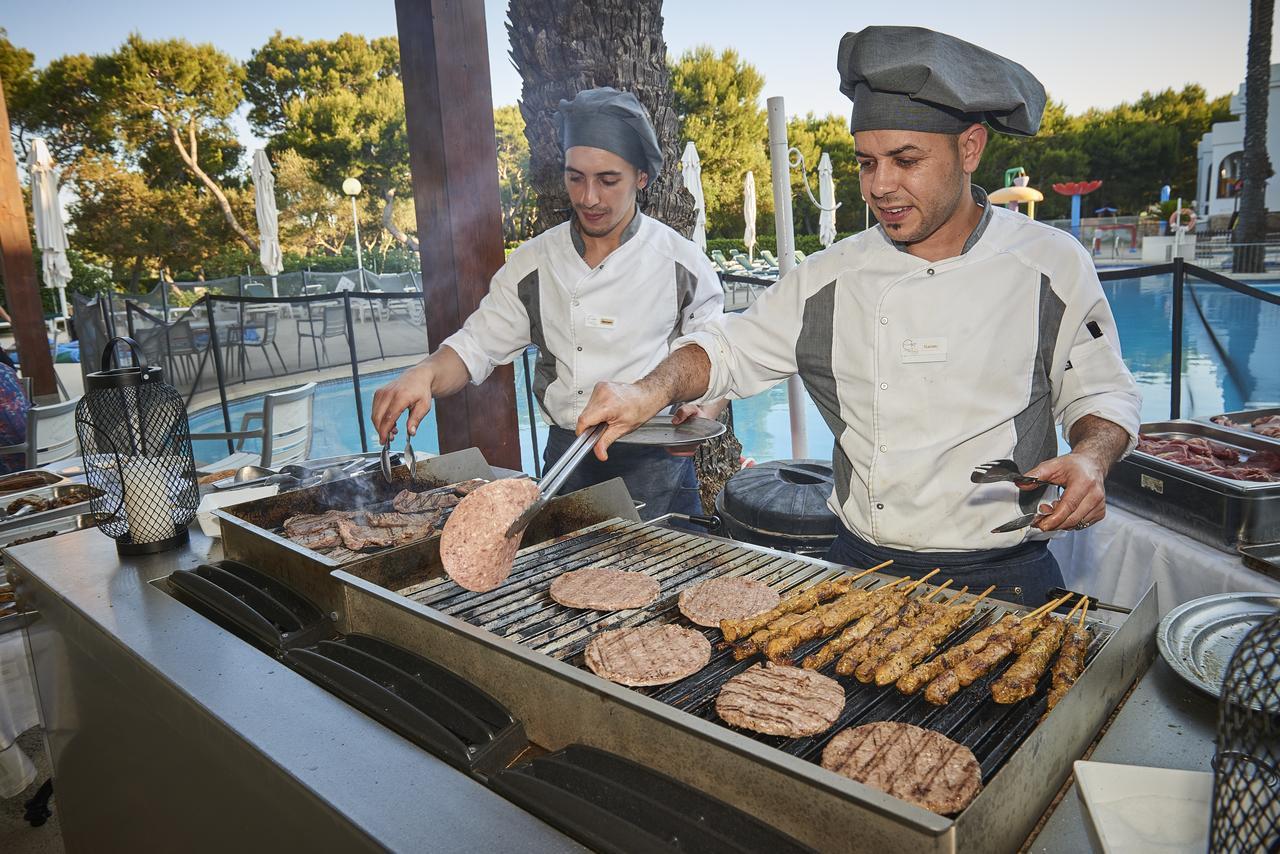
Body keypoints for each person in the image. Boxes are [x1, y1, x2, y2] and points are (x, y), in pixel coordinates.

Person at [575, 27, 1142, 606]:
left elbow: (1100, 392)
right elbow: (729, 349)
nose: (880, 186)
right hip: (860, 570)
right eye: (867, 163)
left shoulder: (1050, 264)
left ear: (970, 148)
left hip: (1003, 576)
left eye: (905, 160)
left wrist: (1091, 457)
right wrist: (648, 390)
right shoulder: (831, 277)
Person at [371, 87, 726, 519]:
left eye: (608, 180)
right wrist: (425, 373)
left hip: (657, 457)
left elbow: (715, 352)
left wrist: (703, 409)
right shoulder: (535, 264)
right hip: (566, 457)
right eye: (575, 177)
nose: (588, 197)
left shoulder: (681, 262)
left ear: (642, 177)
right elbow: (475, 346)